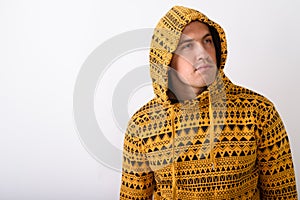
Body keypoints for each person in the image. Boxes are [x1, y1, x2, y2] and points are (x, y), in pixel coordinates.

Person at [120, 5, 298, 199]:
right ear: (167, 59)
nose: (203, 53)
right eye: (187, 46)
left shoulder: (259, 112)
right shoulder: (142, 125)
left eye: (207, 41)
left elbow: (282, 194)